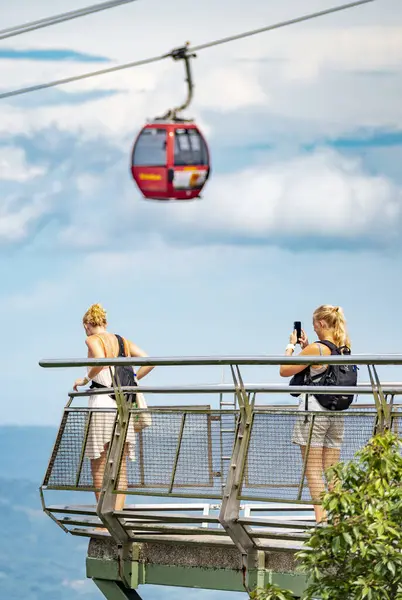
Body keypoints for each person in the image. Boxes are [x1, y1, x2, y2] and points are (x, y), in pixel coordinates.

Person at [73, 303, 154, 513]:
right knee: (120, 465)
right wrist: (133, 378)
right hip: (122, 405)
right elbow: (149, 360)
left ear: (86, 325)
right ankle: (116, 514)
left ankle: (104, 518)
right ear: (105, 323)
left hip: (101, 403)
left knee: (99, 464)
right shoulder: (121, 341)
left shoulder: (92, 339)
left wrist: (84, 380)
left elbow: (100, 360)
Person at [279, 305, 351, 523]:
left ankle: (321, 522)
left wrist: (291, 345)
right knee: (332, 471)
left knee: (312, 470)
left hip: (314, 413)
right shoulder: (343, 347)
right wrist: (308, 347)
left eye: (314, 325)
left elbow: (284, 369)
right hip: (336, 413)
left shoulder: (318, 349)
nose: (313, 328)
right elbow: (323, 369)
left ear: (320, 323)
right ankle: (337, 520)